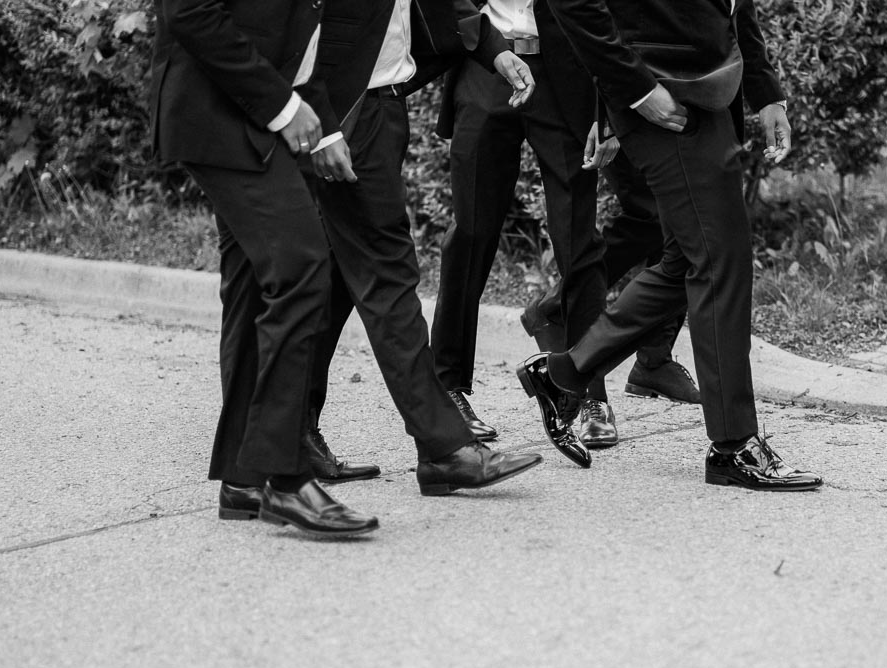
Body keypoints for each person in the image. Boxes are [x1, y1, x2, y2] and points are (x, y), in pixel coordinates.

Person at [517, 0, 824, 490]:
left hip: (709, 85)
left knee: (687, 261)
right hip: (661, 95)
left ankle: (564, 375)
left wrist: (766, 92)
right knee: (720, 262)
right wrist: (635, 93)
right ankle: (734, 445)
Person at [149, 0, 379, 537]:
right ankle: (284, 476)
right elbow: (190, 13)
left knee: (256, 283)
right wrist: (282, 106)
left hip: (249, 111)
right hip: (215, 110)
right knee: (302, 266)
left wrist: (316, 124)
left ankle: (244, 474)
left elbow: (292, 28)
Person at [300, 0, 545, 496]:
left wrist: (495, 52)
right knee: (387, 274)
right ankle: (444, 449)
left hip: (381, 106)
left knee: (338, 280)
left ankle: (286, 435)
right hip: (347, 111)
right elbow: (298, 23)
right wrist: (324, 124)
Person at [427, 0, 610, 462]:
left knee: (577, 238)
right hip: (487, 66)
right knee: (470, 233)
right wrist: (487, 47)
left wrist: (605, 106)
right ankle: (447, 387)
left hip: (563, 76)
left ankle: (590, 393)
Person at [519, 140, 702, 409]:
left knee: (673, 219)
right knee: (658, 215)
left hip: (673, 115)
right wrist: (606, 123)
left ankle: (654, 359)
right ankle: (559, 306)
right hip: (624, 110)